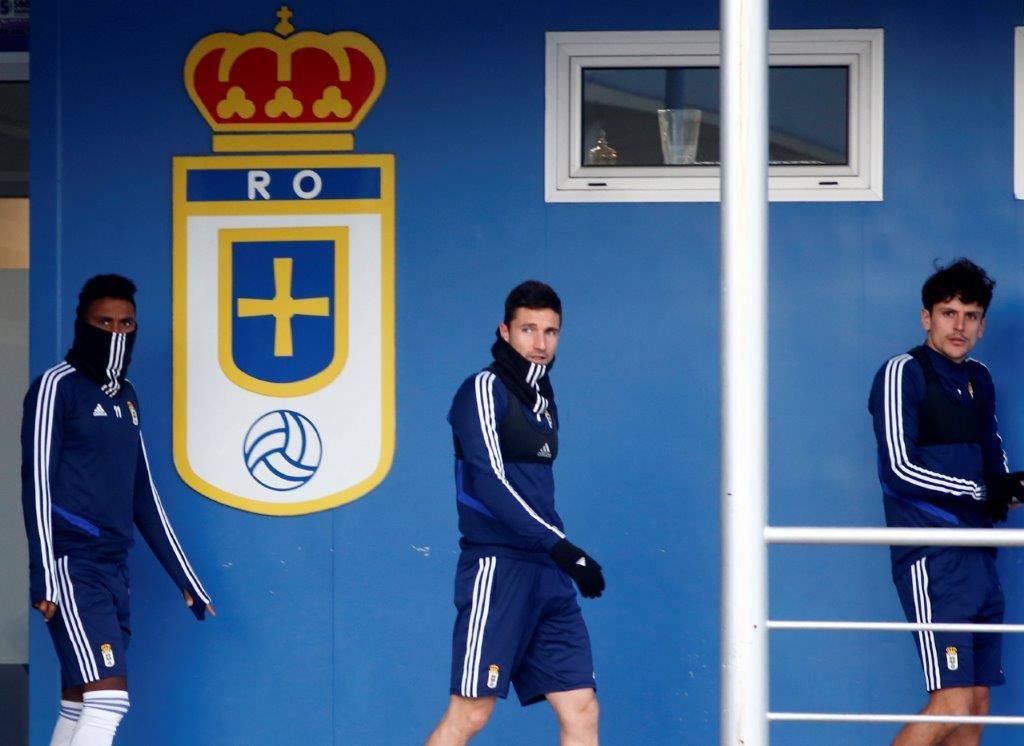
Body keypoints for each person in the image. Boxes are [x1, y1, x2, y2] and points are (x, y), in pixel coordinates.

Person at [21, 275, 213, 746]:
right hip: (72, 564)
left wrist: (184, 576)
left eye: (126, 324)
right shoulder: (56, 387)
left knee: (80, 701)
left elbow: (142, 493)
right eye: (103, 322)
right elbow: (37, 483)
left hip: (113, 568)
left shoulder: (126, 397)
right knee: (109, 701)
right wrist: (45, 574)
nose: (116, 333)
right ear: (82, 323)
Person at [427, 280, 605, 746]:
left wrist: (556, 554)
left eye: (551, 331)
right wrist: (561, 547)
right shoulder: (483, 389)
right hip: (498, 567)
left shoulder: (544, 400)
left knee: (582, 707)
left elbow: (533, 491)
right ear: (505, 332)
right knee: (470, 716)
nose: (540, 343)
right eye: (528, 329)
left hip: (547, 572)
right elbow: (490, 482)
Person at [868, 259, 1024, 746]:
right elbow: (898, 467)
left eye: (971, 315)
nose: (959, 326)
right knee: (951, 701)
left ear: (981, 324)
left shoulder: (980, 378)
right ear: (926, 317)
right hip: (932, 553)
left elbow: (993, 459)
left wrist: (1008, 489)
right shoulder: (903, 372)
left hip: (978, 553)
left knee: (975, 703)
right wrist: (981, 492)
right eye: (948, 312)